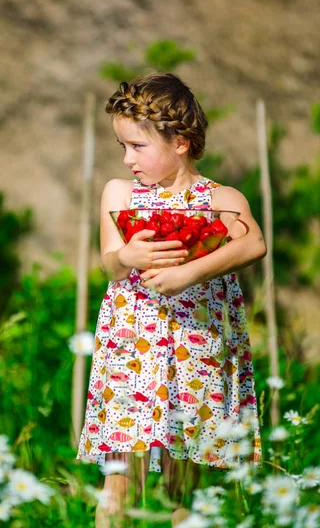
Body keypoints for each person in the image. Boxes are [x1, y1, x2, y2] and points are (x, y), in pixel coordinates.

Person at [77, 73, 266, 527]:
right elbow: (108, 264)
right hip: (133, 350)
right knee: (121, 475)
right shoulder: (121, 195)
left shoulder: (220, 199)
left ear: (181, 141)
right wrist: (127, 255)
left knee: (187, 482)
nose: (127, 159)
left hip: (195, 352)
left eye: (137, 147)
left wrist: (189, 272)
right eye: (122, 146)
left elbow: (253, 243)